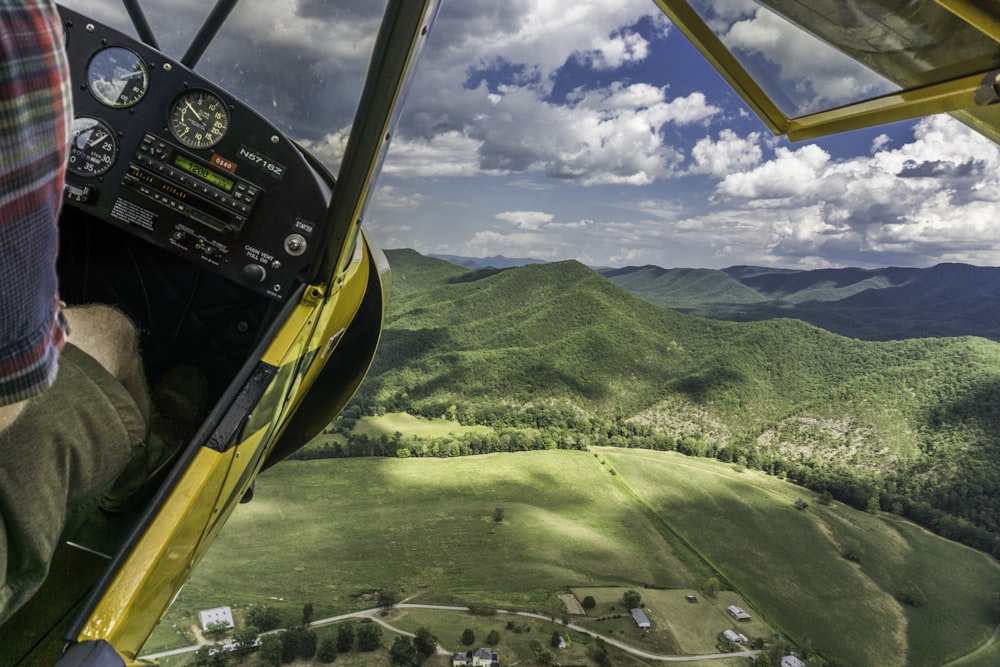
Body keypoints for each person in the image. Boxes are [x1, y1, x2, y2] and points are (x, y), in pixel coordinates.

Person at [0, 0, 152, 624]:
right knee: (110, 334)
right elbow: (15, 374)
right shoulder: (15, 34)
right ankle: (139, 460)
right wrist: (46, 321)